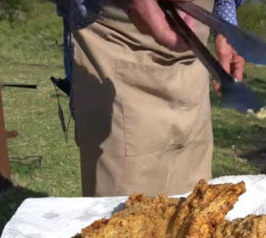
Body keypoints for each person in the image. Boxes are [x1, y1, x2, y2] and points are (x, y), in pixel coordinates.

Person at [50, 0, 246, 197]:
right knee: (122, 219)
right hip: (117, 47)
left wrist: (224, 20)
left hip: (193, 73)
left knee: (196, 212)